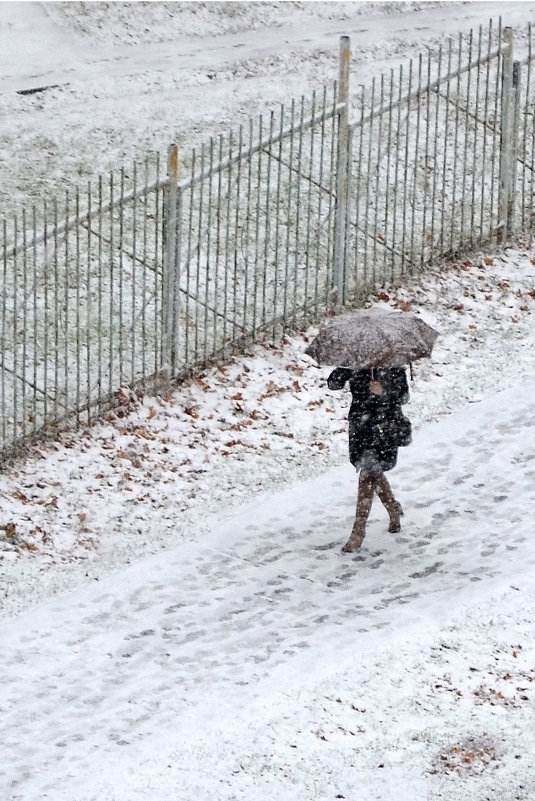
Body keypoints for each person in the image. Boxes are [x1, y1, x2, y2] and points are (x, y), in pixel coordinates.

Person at [327, 365, 412, 552]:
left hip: (385, 427)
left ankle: (358, 531)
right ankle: (393, 508)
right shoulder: (353, 362)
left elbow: (404, 396)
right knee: (373, 472)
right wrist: (344, 370)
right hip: (361, 428)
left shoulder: (393, 364)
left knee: (368, 473)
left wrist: (384, 391)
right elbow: (333, 384)